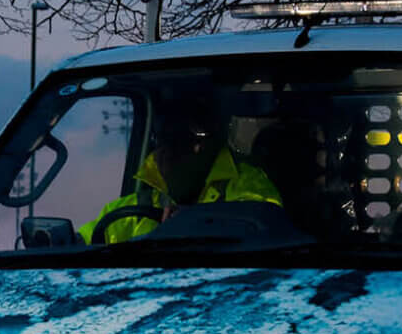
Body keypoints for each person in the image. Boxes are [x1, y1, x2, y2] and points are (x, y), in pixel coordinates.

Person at [81, 96, 282, 244]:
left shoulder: (248, 185)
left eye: (185, 141)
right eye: (165, 142)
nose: (171, 154)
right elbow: (81, 243)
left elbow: (267, 233)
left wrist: (196, 224)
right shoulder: (127, 211)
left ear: (211, 144)